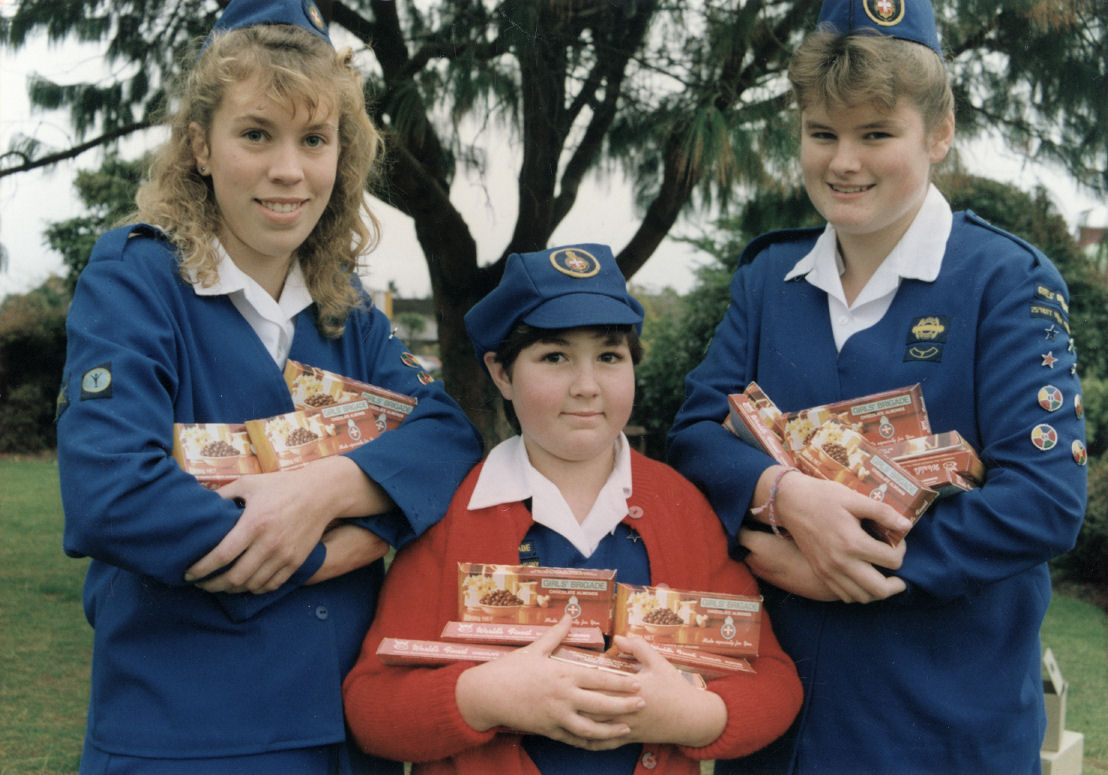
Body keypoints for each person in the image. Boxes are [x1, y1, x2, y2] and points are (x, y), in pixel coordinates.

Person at [55, 0, 482, 772]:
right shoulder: (138, 277)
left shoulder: (343, 304)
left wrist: (325, 490)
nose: (289, 169)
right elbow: (112, 492)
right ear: (201, 146)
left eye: (314, 139)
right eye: (257, 134)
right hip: (187, 734)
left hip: (349, 734)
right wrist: (332, 552)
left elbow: (447, 436)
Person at [667, 1, 1088, 773]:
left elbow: (1045, 502)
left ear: (940, 130)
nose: (843, 162)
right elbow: (696, 431)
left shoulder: (1005, 282)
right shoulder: (768, 279)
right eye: (822, 133)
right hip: (778, 732)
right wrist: (782, 496)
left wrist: (851, 564)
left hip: (940, 731)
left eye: (876, 134)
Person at [342, 244, 803, 773]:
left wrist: (696, 717)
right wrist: (481, 698)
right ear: (501, 373)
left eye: (609, 357)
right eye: (554, 357)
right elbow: (370, 707)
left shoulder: (686, 508)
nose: (586, 387)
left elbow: (773, 679)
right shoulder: (448, 515)